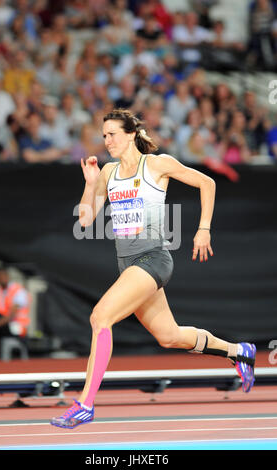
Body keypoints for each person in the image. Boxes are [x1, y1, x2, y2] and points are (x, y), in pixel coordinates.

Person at [50, 108, 256, 429]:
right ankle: (238, 350)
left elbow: (207, 183)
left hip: (153, 259)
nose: (107, 141)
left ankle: (84, 404)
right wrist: (90, 183)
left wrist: (204, 228)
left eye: (112, 134)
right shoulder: (107, 173)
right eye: (103, 136)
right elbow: (87, 219)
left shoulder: (156, 165)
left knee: (100, 317)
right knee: (170, 336)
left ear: (131, 134)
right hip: (128, 265)